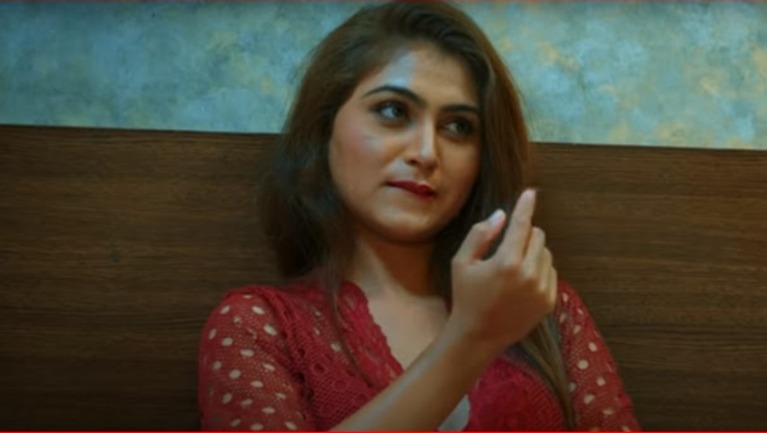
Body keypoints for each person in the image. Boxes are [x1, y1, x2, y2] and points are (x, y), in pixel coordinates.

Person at [198, 2, 640, 431]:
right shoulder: (258, 325)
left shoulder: (543, 309)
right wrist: (471, 340)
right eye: (393, 111)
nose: (427, 152)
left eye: (458, 127)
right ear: (323, 127)